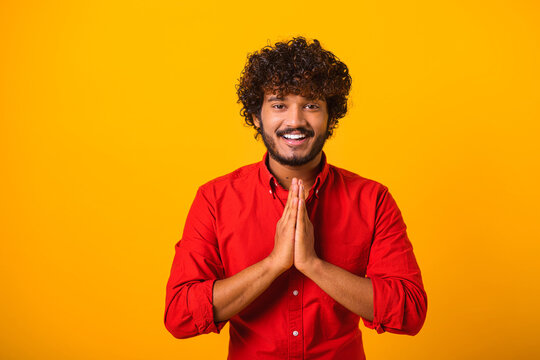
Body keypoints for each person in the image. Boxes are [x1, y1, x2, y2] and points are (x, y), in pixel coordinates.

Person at [164, 37, 427, 359]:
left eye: (311, 105)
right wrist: (274, 264)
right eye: (279, 104)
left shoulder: (372, 199)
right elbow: (180, 316)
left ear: (331, 117)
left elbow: (410, 312)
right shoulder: (215, 199)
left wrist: (312, 265)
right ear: (257, 116)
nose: (295, 121)